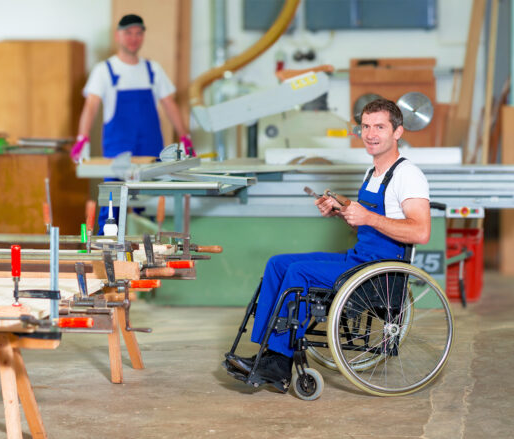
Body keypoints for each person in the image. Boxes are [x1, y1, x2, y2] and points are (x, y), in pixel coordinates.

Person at [222, 98, 432, 388]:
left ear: (397, 132)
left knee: (299, 272)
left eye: (380, 127)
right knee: (278, 263)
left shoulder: (408, 175)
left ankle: (279, 362)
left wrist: (368, 217)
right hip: (359, 258)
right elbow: (366, 221)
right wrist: (340, 211)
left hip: (380, 272)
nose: (370, 134)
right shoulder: (373, 173)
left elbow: (420, 232)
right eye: (366, 126)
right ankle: (267, 351)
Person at [71, 14, 192, 230]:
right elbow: (90, 106)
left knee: (149, 211)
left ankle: (147, 257)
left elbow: (170, 104)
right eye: (128, 33)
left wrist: (185, 136)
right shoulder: (104, 71)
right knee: (111, 209)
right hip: (118, 154)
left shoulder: (152, 70)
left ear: (143, 36)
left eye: (138, 33)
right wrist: (82, 138)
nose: (133, 38)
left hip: (150, 153)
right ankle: (106, 256)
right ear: (118, 35)